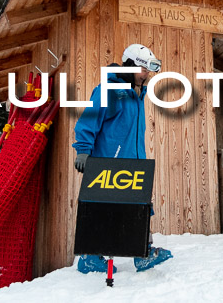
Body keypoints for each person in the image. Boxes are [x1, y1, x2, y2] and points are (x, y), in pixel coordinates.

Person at [72, 44, 173, 274]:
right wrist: (83, 150)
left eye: (148, 69)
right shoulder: (108, 90)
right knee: (105, 208)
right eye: (141, 68)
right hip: (109, 162)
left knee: (141, 206)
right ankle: (90, 257)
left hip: (135, 162)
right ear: (128, 66)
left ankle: (143, 253)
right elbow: (89, 120)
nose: (145, 73)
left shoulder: (138, 94)